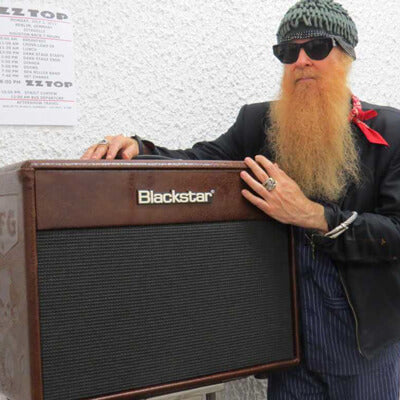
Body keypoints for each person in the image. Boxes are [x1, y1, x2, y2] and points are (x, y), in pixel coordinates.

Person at [81, 0, 400, 398]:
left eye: (316, 47)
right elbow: (198, 163)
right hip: (288, 343)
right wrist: (137, 148)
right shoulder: (258, 123)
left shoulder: (390, 130)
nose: (301, 61)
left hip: (362, 344)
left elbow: (395, 233)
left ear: (346, 55)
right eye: (288, 52)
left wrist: (313, 215)